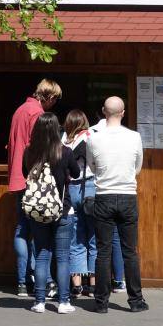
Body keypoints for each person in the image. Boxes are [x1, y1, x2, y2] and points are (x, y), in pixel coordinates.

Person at [85, 96, 147, 313]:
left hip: (104, 195)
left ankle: (101, 302)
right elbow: (137, 166)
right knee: (130, 251)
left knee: (103, 251)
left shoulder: (94, 138)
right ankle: (136, 301)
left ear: (104, 111)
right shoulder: (135, 137)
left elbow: (92, 166)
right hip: (128, 194)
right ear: (123, 112)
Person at [8, 78, 61, 297]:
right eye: (55, 100)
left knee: (22, 230)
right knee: (39, 233)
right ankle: (45, 280)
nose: (54, 105)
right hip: (35, 181)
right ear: (49, 97)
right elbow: (40, 149)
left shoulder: (20, 110)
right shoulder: (37, 115)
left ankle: (21, 282)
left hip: (17, 178)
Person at [22, 112, 80, 314]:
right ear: (57, 129)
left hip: (38, 211)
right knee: (63, 256)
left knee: (41, 254)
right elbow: (76, 173)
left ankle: (39, 301)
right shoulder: (64, 152)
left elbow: (24, 173)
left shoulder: (29, 152)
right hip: (62, 210)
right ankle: (64, 302)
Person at [61, 110, 96, 299]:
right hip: (90, 187)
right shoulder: (92, 137)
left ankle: (76, 285)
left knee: (75, 238)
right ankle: (93, 284)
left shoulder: (63, 140)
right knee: (93, 237)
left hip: (70, 189)